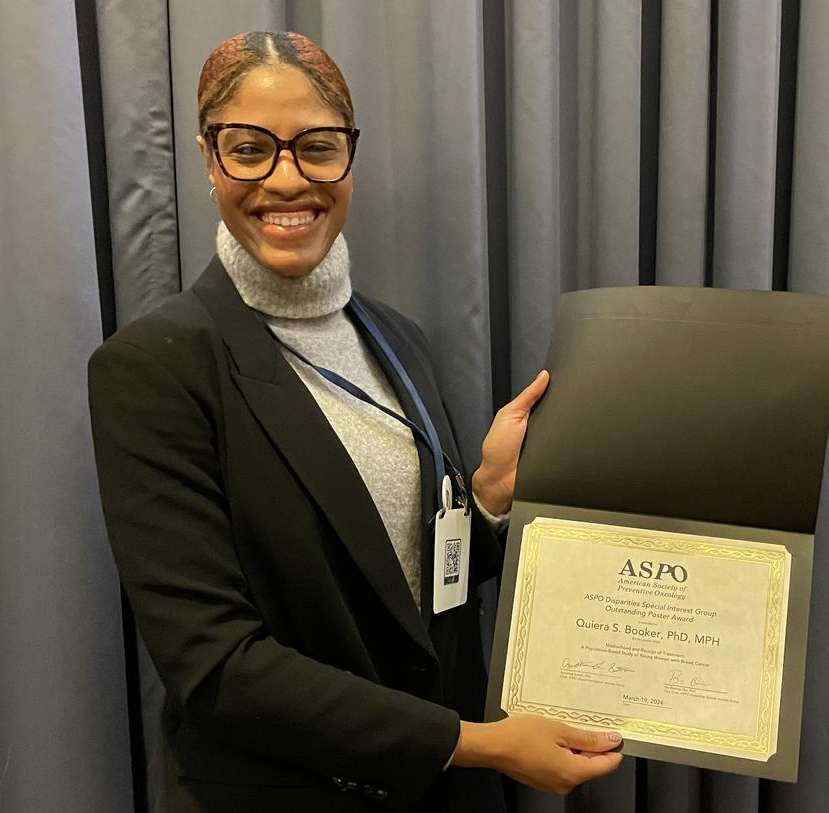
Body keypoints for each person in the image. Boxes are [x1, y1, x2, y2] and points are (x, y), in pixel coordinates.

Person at [88, 31, 623, 812]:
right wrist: (471, 742)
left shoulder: (401, 340)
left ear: (350, 156)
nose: (286, 178)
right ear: (208, 160)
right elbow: (217, 665)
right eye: (249, 149)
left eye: (317, 147)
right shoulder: (155, 368)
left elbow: (405, 588)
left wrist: (490, 498)